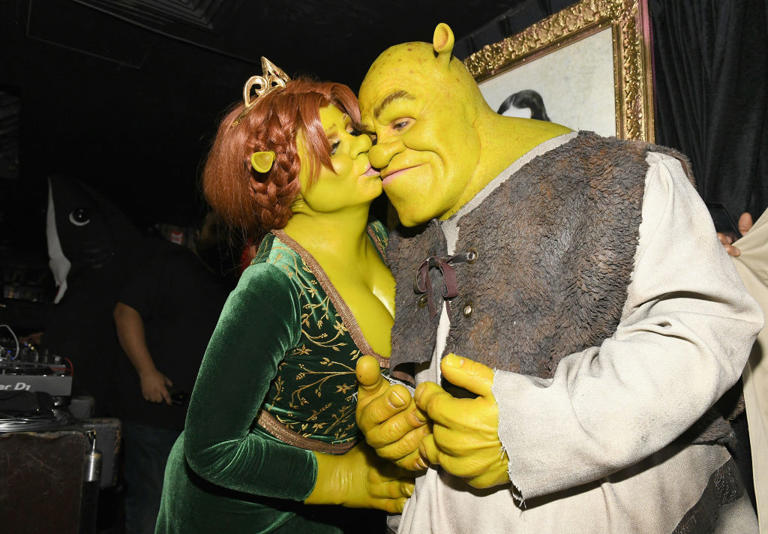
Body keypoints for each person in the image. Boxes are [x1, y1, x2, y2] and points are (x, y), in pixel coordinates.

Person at [354, 24, 763, 533]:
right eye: (370, 137)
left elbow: (703, 329)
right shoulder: (407, 240)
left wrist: (532, 432)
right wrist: (394, 414)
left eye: (400, 120)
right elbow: (425, 366)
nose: (375, 154)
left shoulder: (627, 177)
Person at [154, 58, 412, 534]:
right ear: (283, 179)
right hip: (236, 513)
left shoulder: (390, 239)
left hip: (324, 510)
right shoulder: (275, 286)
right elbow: (211, 449)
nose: (362, 146)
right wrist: (346, 479)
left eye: (353, 132)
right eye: (334, 144)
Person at [114, 231, 230, 534]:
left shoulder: (229, 280)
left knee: (191, 511)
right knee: (151, 504)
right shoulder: (171, 263)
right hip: (155, 414)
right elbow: (125, 312)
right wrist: (146, 372)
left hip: (199, 421)